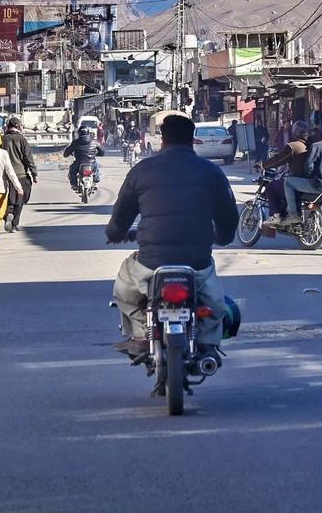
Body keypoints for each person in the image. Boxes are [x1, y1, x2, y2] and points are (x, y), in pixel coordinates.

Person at [106, 113, 239, 359]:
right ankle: (208, 344)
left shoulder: (142, 170)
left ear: (162, 140)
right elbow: (229, 217)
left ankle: (139, 335)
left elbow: (121, 213)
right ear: (192, 140)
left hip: (150, 262)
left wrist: (115, 233)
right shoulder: (211, 172)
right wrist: (222, 237)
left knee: (124, 291)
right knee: (215, 305)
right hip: (197, 261)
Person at [280, 125, 322, 224]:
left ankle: (293, 215)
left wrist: (307, 176)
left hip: (319, 185)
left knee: (288, 182)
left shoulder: (316, 146)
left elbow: (309, 166)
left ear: (319, 135)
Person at [260, 121, 310, 224]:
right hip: (308, 181)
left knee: (270, 187)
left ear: (294, 132)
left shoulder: (293, 146)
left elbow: (278, 160)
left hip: (296, 181)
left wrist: (263, 165)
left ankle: (276, 216)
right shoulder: (310, 146)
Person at [1, 115, 38, 232]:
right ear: (18, 127)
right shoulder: (22, 139)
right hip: (21, 174)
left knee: (8, 197)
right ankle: (14, 224)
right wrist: (34, 173)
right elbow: (28, 157)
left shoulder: (3, 139)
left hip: (5, 175)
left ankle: (8, 213)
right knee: (20, 199)